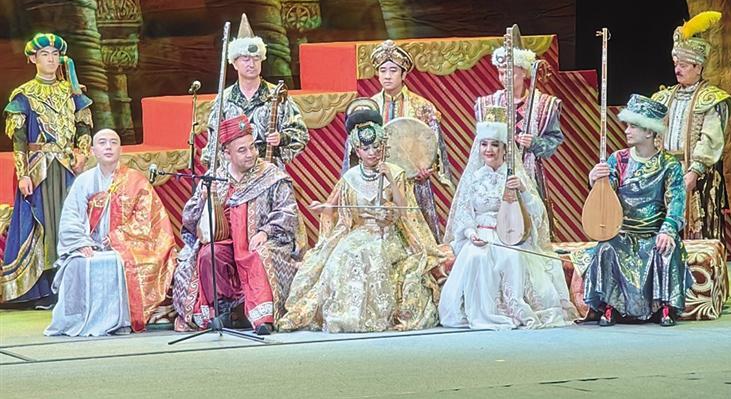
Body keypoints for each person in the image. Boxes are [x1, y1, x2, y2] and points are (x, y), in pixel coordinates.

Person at [279, 105, 450, 333]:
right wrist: (324, 208)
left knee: (371, 254)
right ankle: (345, 315)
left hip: (389, 234)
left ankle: (376, 315)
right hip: (360, 232)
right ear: (357, 151)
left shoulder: (395, 172)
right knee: (342, 255)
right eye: (366, 148)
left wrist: (390, 181)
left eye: (376, 147)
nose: (372, 153)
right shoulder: (350, 177)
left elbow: (403, 210)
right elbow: (336, 207)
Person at [439, 120, 575, 329]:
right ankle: (482, 313)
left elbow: (537, 213)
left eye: (495, 144)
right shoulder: (474, 178)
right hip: (481, 235)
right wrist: (471, 233)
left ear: (504, 149)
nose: (489, 150)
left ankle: (514, 309)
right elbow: (464, 215)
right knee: (477, 257)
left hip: (510, 235)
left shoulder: (515, 177)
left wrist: (522, 190)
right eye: (484, 144)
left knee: (512, 257)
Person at [173, 115, 299, 335]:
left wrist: (265, 232)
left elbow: (287, 211)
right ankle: (225, 311)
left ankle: (262, 318)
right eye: (242, 150)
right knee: (209, 255)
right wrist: (203, 199)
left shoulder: (270, 175)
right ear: (226, 153)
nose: (250, 154)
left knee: (257, 254)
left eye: (252, 147)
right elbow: (190, 220)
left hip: (258, 239)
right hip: (225, 240)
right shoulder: (215, 178)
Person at [44, 129, 177, 336]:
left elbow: (146, 219)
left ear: (120, 149)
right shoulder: (83, 181)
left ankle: (122, 320)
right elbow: (71, 217)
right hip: (90, 245)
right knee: (76, 265)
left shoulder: (136, 180)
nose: (108, 147)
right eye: (102, 143)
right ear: (93, 151)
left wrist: (116, 239)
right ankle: (77, 320)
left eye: (113, 142)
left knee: (119, 262)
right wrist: (81, 243)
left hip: (127, 247)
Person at [583, 94, 692, 327]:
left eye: (633, 126)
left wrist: (668, 230)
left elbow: (676, 201)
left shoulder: (668, 164)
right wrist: (595, 181)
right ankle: (611, 306)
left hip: (653, 232)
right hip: (623, 232)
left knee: (666, 248)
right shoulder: (618, 159)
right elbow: (606, 194)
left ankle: (664, 306)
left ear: (649, 132)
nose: (627, 130)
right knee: (605, 248)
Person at [1, 33, 92, 305]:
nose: (51, 59)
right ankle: (44, 289)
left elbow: (84, 126)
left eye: (55, 54)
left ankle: (72, 282)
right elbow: (18, 139)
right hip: (40, 168)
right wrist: (23, 174)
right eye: (44, 54)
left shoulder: (72, 91)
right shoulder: (24, 94)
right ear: (33, 59)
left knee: (69, 220)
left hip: (67, 166)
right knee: (44, 224)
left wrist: (83, 153)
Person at [359, 40, 452, 240]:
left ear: (403, 74)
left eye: (393, 70)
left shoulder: (422, 107)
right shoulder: (367, 108)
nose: (387, 76)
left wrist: (428, 168)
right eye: (383, 70)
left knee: (418, 239)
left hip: (414, 182)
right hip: (377, 180)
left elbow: (434, 147)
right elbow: (355, 148)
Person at [652, 11, 731, 240]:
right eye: (676, 64)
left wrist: (694, 171)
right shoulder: (663, 98)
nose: (677, 69)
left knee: (696, 233)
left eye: (684, 65)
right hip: (665, 172)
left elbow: (710, 138)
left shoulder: (711, 99)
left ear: (698, 67)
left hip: (696, 175)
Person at [474, 42, 563, 231]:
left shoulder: (544, 105)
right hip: (495, 174)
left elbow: (554, 140)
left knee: (529, 223)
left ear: (523, 72)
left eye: (510, 73)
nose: (504, 78)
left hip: (529, 172)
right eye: (501, 73)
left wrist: (535, 142)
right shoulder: (488, 104)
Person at [202, 14, 309, 170]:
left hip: (269, 170)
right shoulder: (224, 99)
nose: (251, 64)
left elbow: (300, 134)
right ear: (235, 63)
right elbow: (213, 143)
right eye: (246, 59)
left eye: (256, 58)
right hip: (233, 173)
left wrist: (281, 138)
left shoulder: (277, 95)